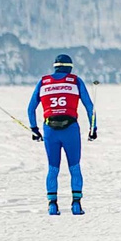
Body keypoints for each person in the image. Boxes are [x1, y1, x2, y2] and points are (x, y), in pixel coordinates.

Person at [27, 53, 98, 216]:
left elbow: (30, 109)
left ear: (55, 66)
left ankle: (52, 206)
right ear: (70, 67)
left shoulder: (43, 82)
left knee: (53, 168)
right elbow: (89, 107)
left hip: (50, 130)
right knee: (74, 167)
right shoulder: (75, 81)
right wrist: (93, 128)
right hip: (70, 129)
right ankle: (76, 205)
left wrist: (34, 129)